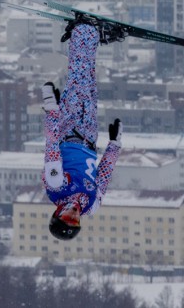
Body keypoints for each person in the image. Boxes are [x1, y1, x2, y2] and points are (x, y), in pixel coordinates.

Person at [41, 22, 123, 240]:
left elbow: (51, 148)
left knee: (79, 79)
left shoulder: (56, 187)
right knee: (89, 82)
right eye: (76, 221)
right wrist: (114, 146)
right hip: (88, 136)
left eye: (67, 217)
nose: (74, 215)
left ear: (58, 212)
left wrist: (51, 109)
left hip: (68, 130)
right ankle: (91, 38)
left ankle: (82, 31)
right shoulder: (92, 204)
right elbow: (104, 176)